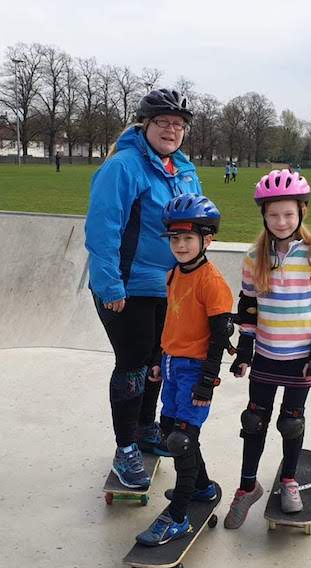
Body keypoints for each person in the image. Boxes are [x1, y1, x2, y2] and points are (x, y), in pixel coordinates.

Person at [85, 88, 201, 489]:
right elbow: (102, 229)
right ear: (144, 125)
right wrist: (109, 285)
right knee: (133, 366)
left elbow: (194, 220)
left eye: (178, 125)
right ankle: (125, 449)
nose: (172, 130)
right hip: (127, 286)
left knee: (157, 364)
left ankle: (146, 428)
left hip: (169, 286)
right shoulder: (124, 167)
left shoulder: (183, 169)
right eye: (164, 122)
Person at [223, 169, 311, 529]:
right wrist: (244, 352)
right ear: (264, 216)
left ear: (302, 212)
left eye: (288, 213)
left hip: (300, 359)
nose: (281, 221)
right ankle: (246, 487)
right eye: (273, 214)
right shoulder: (253, 258)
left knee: (291, 423)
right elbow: (248, 309)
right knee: (254, 421)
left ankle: (289, 480)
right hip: (266, 356)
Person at [135, 193, 234, 545]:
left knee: (181, 440)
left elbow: (220, 335)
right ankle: (202, 488)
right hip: (173, 366)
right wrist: (159, 359)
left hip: (195, 372)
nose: (179, 245)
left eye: (188, 238)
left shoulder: (213, 283)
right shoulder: (175, 273)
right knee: (169, 432)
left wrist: (207, 381)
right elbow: (172, 322)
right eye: (175, 238)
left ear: (207, 239)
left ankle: (177, 517)